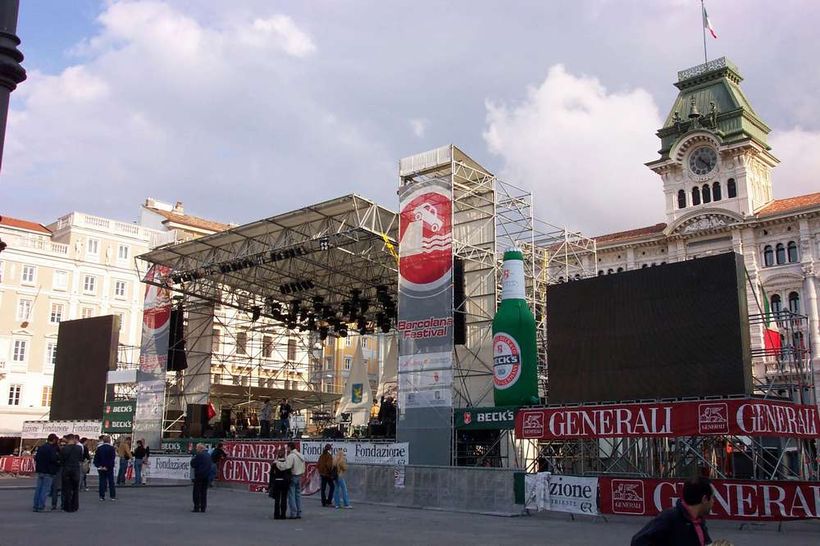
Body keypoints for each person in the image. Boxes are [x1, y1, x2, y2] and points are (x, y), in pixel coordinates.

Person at [631, 477, 714, 546]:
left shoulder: (699, 521)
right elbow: (637, 541)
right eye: (712, 498)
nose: (713, 502)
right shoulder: (670, 518)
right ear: (705, 499)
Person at [276, 442, 305, 519]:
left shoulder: (291, 456)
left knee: (291, 495)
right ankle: (299, 512)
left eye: (287, 447)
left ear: (289, 447)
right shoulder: (300, 455)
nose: (286, 449)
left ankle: (293, 513)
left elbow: (286, 466)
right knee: (298, 495)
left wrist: (277, 463)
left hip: (293, 476)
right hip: (300, 476)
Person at [32, 433, 59, 512]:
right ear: (54, 440)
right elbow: (53, 459)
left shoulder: (41, 447)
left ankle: (35, 505)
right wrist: (58, 462)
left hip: (40, 470)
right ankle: (41, 506)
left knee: (38, 489)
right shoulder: (51, 449)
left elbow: (36, 458)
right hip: (48, 470)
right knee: (45, 490)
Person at [60, 434, 84, 512]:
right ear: (73, 439)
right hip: (75, 469)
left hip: (66, 469)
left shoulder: (64, 449)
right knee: (75, 489)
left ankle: (67, 506)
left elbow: (62, 460)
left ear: (67, 439)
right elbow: (80, 458)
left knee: (66, 489)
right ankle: (75, 506)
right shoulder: (79, 448)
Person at [268, 447, 290, 520]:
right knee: (284, 499)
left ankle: (276, 515)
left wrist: (270, 485)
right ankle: (283, 515)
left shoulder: (274, 464)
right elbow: (289, 473)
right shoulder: (287, 463)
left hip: (277, 482)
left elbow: (271, 475)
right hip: (284, 482)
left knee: (277, 499)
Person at [94, 435, 117, 501]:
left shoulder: (99, 448)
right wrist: (107, 466)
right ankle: (112, 496)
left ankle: (102, 496)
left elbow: (96, 458)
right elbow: (112, 459)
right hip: (109, 467)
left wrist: (99, 466)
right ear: (109, 440)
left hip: (101, 467)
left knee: (102, 481)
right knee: (111, 481)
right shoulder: (111, 448)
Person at [190, 443, 212, 512]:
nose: (196, 449)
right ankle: (203, 507)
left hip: (199, 475)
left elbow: (193, 464)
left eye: (197, 448)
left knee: (196, 491)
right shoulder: (208, 455)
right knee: (203, 492)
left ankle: (196, 507)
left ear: (200, 448)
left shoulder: (199, 455)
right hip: (206, 475)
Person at [50, 437, 66, 510]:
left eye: (64, 445)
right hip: (56, 471)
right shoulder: (55, 451)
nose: (62, 446)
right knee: (55, 489)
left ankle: (63, 505)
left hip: (64, 471)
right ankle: (54, 504)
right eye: (61, 445)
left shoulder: (67, 452)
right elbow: (53, 460)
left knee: (64, 489)